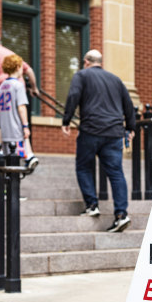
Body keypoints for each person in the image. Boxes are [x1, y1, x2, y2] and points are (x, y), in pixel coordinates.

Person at [61, 49, 135, 233]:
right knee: (116, 173)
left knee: (84, 166)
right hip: (114, 133)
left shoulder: (82, 75)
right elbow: (129, 105)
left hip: (91, 130)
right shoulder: (116, 80)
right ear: (100, 62)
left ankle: (92, 206)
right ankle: (121, 214)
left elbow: (73, 96)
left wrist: (66, 120)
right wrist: (131, 128)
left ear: (86, 61)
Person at [0, 33, 40, 148]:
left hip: (3, 91)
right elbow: (29, 70)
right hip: (20, 90)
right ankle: (25, 153)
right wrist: (34, 88)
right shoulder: (10, 53)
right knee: (21, 123)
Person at [0, 54, 38, 169]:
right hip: (16, 128)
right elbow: (21, 107)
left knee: (8, 162)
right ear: (17, 67)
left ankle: (7, 185)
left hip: (5, 130)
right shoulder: (18, 86)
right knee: (17, 160)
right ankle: (29, 157)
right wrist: (25, 125)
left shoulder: (1, 87)